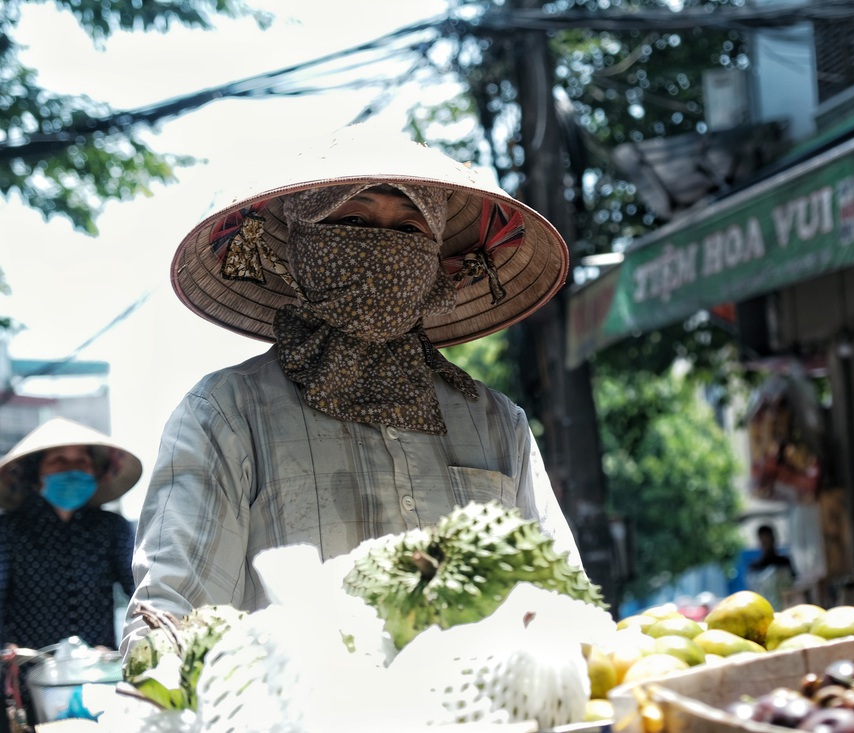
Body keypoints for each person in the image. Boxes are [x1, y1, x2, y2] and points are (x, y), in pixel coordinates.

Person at [122, 127, 583, 654]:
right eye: (353, 221)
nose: (382, 246)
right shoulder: (226, 416)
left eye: (409, 230)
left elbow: (561, 608)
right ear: (299, 247)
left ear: (433, 260)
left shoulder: (497, 424)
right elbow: (173, 626)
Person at [0, 417, 141, 729]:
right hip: (27, 680)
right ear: (35, 473)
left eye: (82, 460)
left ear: (96, 471)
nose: (72, 468)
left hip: (97, 677)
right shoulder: (7, 531)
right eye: (59, 460)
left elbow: (140, 590)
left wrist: (131, 649)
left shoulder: (112, 529)